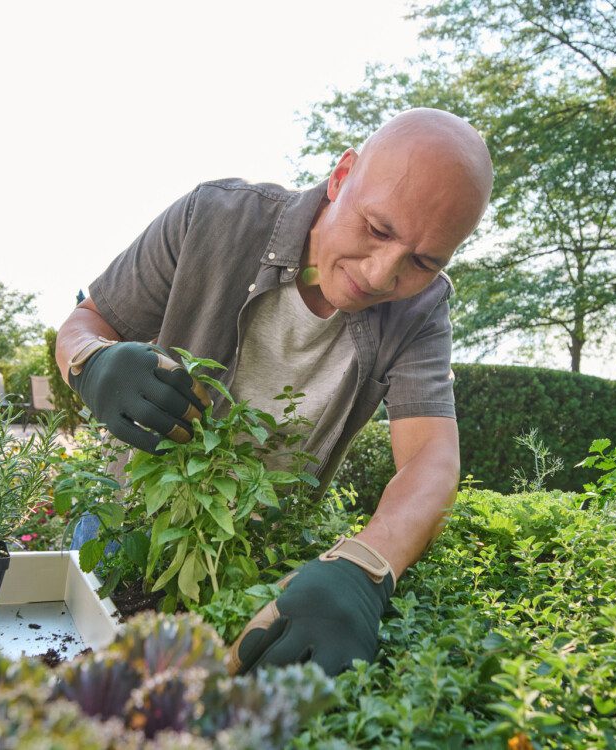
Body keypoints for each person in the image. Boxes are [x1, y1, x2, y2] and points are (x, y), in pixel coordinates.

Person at [55, 107, 493, 676]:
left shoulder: (421, 309)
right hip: (120, 531)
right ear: (341, 176)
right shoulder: (213, 217)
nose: (384, 275)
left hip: (252, 565)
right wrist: (93, 363)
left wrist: (364, 564)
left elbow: (431, 459)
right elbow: (84, 323)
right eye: (379, 230)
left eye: (424, 261)